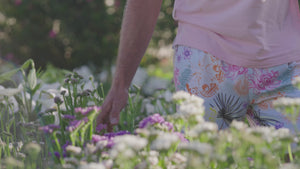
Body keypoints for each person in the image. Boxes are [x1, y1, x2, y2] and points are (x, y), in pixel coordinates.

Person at [97, 0, 300, 132]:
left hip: (284, 60)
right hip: (205, 56)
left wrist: (121, 83)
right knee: (203, 160)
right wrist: (121, 83)